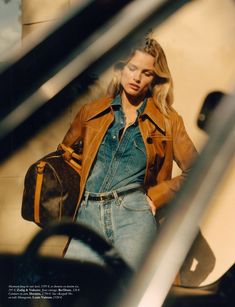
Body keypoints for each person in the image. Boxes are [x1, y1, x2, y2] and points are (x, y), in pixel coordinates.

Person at [61, 36, 197, 271]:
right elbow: (64, 156)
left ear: (156, 78)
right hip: (87, 217)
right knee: (73, 293)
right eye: (132, 68)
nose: (136, 78)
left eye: (147, 73)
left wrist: (156, 197)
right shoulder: (91, 112)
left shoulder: (168, 121)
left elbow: (197, 170)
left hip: (134, 215)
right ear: (120, 68)